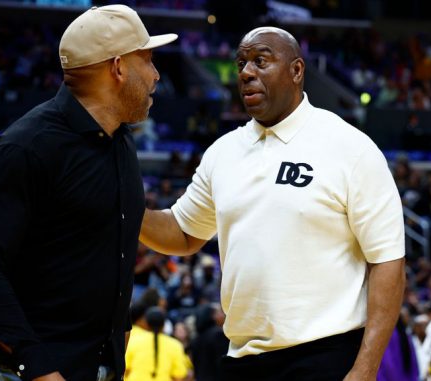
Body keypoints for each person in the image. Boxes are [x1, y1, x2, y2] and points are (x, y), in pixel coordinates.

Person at [140, 26, 406, 381]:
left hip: (325, 355)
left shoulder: (348, 147)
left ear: (296, 71)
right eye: (241, 63)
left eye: (261, 61)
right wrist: (124, 210)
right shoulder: (223, 153)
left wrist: (365, 368)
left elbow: (388, 261)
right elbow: (183, 233)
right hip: (242, 358)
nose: (247, 72)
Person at [0, 5, 177, 381]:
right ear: (118, 67)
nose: (155, 75)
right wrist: (37, 366)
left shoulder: (121, 142)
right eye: (149, 60)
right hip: (9, 371)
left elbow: (113, 251)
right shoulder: (25, 147)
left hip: (87, 368)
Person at [124, 305, 189, 381]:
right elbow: (179, 375)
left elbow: (125, 368)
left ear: (146, 323)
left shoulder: (134, 341)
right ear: (164, 325)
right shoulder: (175, 345)